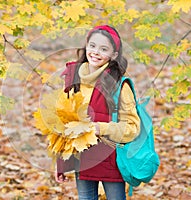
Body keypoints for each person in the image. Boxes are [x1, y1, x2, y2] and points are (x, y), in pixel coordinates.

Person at [55, 25, 141, 200]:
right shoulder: (74, 79)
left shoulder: (119, 85)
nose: (95, 52)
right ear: (86, 46)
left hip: (110, 161)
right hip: (83, 160)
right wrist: (62, 162)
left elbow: (133, 128)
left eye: (104, 49)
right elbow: (65, 123)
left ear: (114, 54)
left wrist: (100, 128)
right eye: (92, 46)